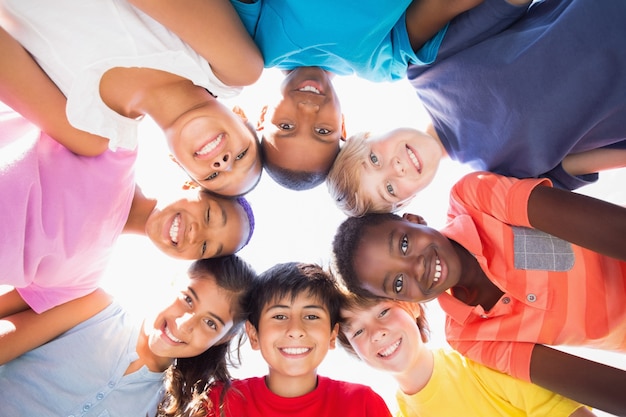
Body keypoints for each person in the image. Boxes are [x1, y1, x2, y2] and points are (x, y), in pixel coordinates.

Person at [331, 171, 626, 415]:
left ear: (415, 220)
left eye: (404, 244)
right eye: (397, 283)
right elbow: (585, 381)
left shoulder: (472, 199)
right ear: (405, 300)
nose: (416, 268)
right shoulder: (468, 336)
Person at [327, 0, 626, 216]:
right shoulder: (504, 177)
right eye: (390, 189)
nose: (397, 168)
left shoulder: (427, 68)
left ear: (368, 134)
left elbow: (508, 5)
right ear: (408, 200)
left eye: (375, 158)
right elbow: (597, 160)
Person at [0, 110, 254, 326]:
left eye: (206, 247)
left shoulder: (83, 281)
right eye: (209, 215)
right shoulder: (116, 148)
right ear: (191, 184)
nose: (196, 233)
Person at [0, 0, 264, 196]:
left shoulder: (88, 128)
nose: (224, 162)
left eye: (213, 175)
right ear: (242, 117)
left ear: (177, 163)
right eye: (242, 155)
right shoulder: (235, 68)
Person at [214, 0, 483, 190]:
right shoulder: (381, 66)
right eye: (322, 131)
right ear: (342, 124)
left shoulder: (254, 41)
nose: (308, 110)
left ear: (262, 115)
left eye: (286, 126)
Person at [0, 255, 257, 417]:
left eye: (210, 323)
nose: (184, 323)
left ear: (222, 339)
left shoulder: (169, 407)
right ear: (172, 281)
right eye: (187, 299)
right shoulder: (96, 308)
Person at [338, 294, 595, 417]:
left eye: (383, 312)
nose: (377, 333)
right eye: (358, 330)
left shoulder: (482, 360)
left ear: (411, 307)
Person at [205, 262, 392, 417]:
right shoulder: (219, 401)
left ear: (332, 335)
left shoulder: (363, 404)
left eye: (311, 316)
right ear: (254, 335)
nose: (295, 330)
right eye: (279, 316)